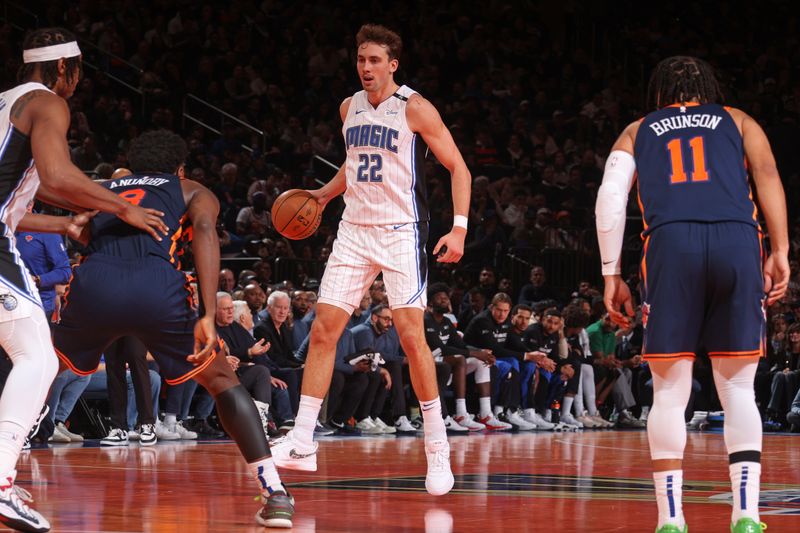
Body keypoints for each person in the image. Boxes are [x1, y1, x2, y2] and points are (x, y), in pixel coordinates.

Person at [52, 130, 294, 528]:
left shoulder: (102, 187)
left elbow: (51, 191)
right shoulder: (192, 189)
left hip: (94, 283)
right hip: (156, 286)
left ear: (132, 163)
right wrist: (207, 310)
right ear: (179, 169)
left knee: (40, 365)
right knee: (222, 381)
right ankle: (274, 493)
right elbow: (202, 232)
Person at [271, 23, 471, 496]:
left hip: (401, 232)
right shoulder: (348, 107)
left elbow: (458, 166)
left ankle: (437, 446)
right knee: (323, 330)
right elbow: (355, 161)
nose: (366, 68)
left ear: (393, 64)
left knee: (411, 337)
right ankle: (302, 441)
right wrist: (322, 194)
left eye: (375, 60)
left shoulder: (415, 108)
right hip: (353, 231)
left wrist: (459, 227)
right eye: (361, 60)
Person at [596, 56, 789, 533]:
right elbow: (768, 178)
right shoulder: (739, 120)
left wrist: (610, 274)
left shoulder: (638, 130)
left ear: (659, 91)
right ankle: (746, 514)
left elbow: (610, 198)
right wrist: (781, 250)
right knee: (739, 387)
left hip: (671, 244)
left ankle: (671, 519)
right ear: (709, 86)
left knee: (668, 390)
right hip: (736, 240)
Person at [0, 27, 168, 532]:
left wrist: (63, 223)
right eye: (78, 73)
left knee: (30, 356)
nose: (77, 82)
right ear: (63, 70)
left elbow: (17, 206)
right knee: (38, 357)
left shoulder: (5, 101)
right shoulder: (47, 103)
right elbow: (56, 175)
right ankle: (2, 483)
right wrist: (121, 205)